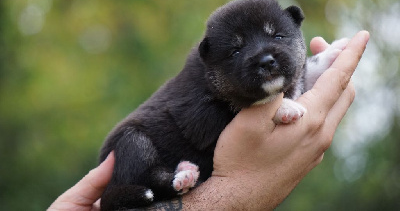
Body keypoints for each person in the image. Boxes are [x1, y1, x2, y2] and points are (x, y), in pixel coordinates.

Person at [48, 31, 370, 211]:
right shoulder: (204, 100)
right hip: (140, 165)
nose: (266, 56)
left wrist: (316, 67)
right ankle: (156, 181)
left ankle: (162, 180)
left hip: (163, 177)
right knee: (134, 145)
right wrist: (235, 195)